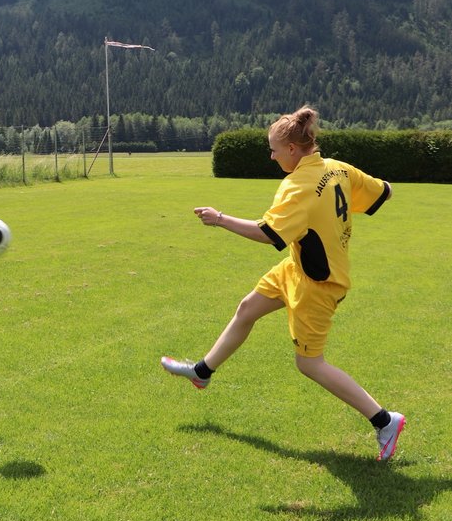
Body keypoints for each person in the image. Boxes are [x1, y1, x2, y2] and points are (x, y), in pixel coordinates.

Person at [161, 107, 405, 461]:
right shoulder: (337, 167)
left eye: (274, 150)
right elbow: (385, 191)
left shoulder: (297, 186)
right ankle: (202, 372)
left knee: (309, 363)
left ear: (292, 148)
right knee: (248, 308)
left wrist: (219, 219)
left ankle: (384, 420)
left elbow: (268, 233)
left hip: (319, 284)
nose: (272, 156)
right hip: (296, 267)